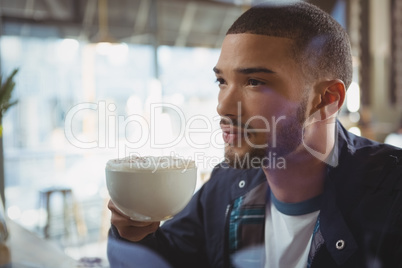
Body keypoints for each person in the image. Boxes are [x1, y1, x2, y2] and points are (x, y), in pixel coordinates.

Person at [108, 2, 402, 267]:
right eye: (221, 80)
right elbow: (171, 257)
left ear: (327, 99)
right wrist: (135, 235)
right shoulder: (224, 186)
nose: (222, 106)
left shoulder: (391, 195)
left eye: (254, 81)